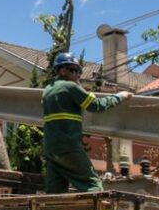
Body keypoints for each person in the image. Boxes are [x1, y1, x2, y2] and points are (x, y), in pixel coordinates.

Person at [42, 52, 132, 194]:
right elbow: (96, 105)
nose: (78, 74)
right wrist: (119, 97)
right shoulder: (70, 87)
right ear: (62, 70)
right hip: (69, 147)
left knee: (55, 191)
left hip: (51, 150)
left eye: (79, 71)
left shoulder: (47, 90)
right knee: (92, 184)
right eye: (74, 70)